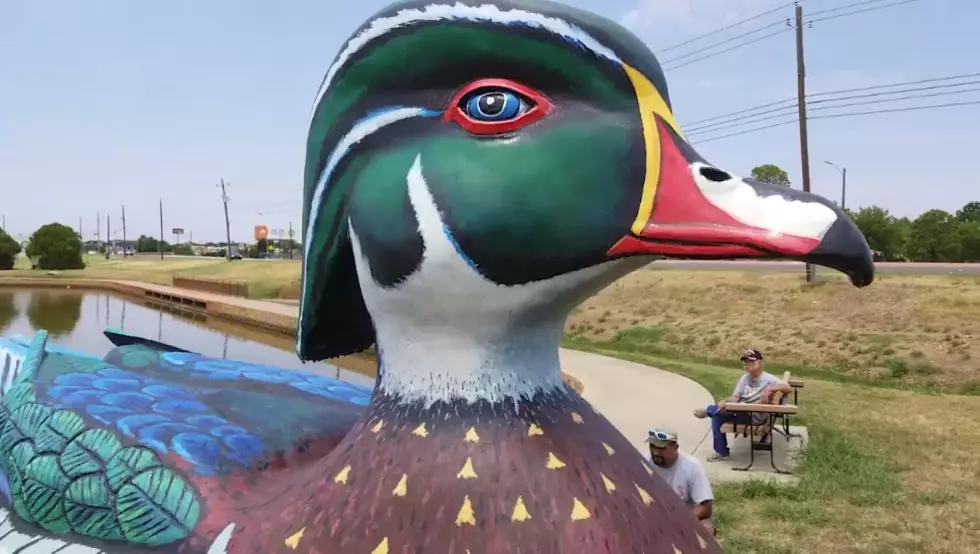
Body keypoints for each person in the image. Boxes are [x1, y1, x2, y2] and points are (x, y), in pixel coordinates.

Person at [693, 349, 793, 462]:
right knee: (718, 416)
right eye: (746, 362)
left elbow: (788, 388)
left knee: (722, 411)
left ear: (760, 363)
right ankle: (722, 452)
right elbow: (736, 397)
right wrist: (725, 401)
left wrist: (770, 389)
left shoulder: (769, 379)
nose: (747, 365)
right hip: (741, 411)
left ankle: (708, 410)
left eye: (751, 362)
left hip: (755, 415)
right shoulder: (744, 378)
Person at [646, 428, 715, 534]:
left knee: (707, 529)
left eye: (661, 448)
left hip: (684, 515)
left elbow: (706, 507)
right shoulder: (644, 461)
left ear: (675, 447)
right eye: (652, 446)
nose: (655, 452)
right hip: (652, 512)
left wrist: (680, 521)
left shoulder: (692, 466)